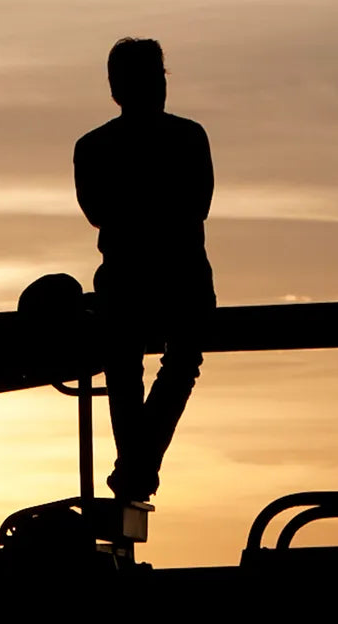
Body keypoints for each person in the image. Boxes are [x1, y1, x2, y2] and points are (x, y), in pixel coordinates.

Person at [73, 37, 216, 503]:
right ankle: (137, 469)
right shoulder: (189, 137)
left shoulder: (92, 147)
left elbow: (98, 212)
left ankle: (135, 467)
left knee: (124, 368)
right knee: (177, 361)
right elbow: (198, 207)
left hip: (127, 284)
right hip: (181, 281)